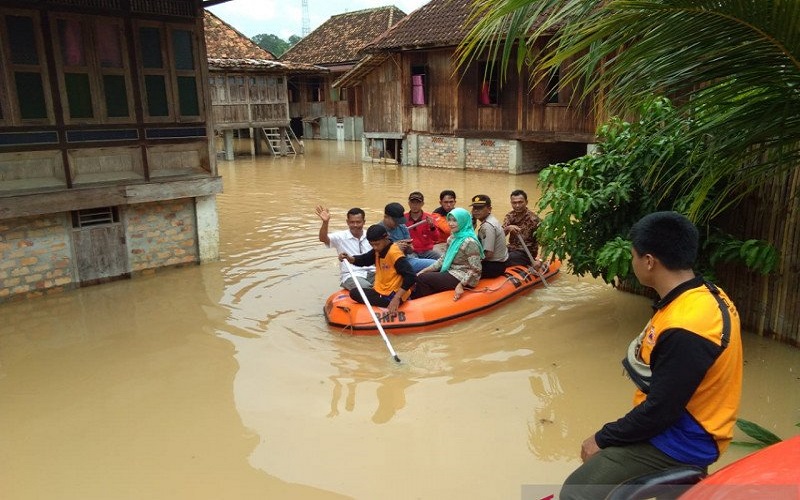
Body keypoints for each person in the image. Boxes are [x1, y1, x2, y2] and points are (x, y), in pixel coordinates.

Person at [560, 211, 743, 500]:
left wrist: (602, 438)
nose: (632, 263)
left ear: (648, 261)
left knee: (577, 491)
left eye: (633, 255)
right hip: (688, 423)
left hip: (683, 440)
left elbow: (661, 411)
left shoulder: (687, 325)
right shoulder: (706, 294)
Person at [338, 224, 415, 315]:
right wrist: (350, 258)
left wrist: (396, 298)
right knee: (356, 292)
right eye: (372, 245)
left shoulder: (394, 254)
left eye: (377, 244)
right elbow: (365, 259)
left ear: (386, 238)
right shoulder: (379, 250)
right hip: (383, 290)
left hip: (392, 295)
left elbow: (411, 276)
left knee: (354, 293)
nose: (375, 247)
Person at [412, 207, 483, 300]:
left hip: (463, 275)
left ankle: (419, 303)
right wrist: (425, 270)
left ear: (463, 221)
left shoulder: (470, 242)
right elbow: (443, 259)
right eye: (449, 220)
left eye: (455, 220)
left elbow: (476, 268)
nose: (451, 223)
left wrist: (461, 285)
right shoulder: (453, 237)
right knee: (421, 275)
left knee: (423, 279)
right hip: (451, 270)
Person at [316, 205, 375, 290]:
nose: (355, 225)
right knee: (366, 288)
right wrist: (325, 222)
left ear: (364, 222)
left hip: (373, 273)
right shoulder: (340, 237)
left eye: (358, 222)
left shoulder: (371, 235)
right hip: (352, 275)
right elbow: (323, 239)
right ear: (347, 222)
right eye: (352, 222)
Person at [382, 202, 435, 273]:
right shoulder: (378, 230)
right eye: (395, 221)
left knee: (436, 264)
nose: (398, 223)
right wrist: (394, 247)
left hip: (406, 259)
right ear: (386, 217)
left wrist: (408, 247)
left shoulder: (402, 226)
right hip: (389, 263)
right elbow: (376, 253)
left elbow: (410, 250)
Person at [470, 194, 509, 279]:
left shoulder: (487, 226)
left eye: (480, 208)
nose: (476, 210)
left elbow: (488, 254)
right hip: (496, 264)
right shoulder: (490, 220)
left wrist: (471, 260)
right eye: (474, 208)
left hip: (492, 266)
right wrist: (473, 220)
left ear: (489, 209)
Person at [502, 189, 543, 268]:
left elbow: (545, 243)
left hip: (526, 253)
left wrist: (540, 260)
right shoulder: (509, 216)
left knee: (506, 259)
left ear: (526, 202)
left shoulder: (534, 219)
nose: (517, 205)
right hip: (511, 248)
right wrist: (508, 228)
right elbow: (500, 235)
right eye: (514, 203)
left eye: (520, 202)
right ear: (511, 203)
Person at [405, 191, 449, 260]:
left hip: (426, 251)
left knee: (443, 260)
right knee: (412, 260)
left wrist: (432, 227)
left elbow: (436, 238)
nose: (415, 205)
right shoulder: (403, 218)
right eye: (412, 202)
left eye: (418, 203)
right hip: (411, 252)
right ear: (409, 203)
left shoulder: (429, 218)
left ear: (422, 204)